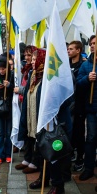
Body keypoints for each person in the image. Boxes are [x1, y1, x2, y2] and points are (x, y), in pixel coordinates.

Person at [16, 49, 45, 174]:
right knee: (28, 134)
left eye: (34, 59)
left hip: (38, 112)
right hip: (29, 109)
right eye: (32, 59)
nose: (32, 62)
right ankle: (27, 158)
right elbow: (27, 90)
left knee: (38, 137)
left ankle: (35, 162)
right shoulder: (33, 74)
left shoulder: (46, 76)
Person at [77, 35, 97, 181]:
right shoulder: (86, 65)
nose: (92, 46)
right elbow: (78, 83)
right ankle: (88, 168)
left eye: (95, 43)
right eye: (91, 44)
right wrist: (86, 79)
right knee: (90, 138)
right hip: (92, 109)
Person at [68, 40, 85, 172]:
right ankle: (71, 153)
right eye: (68, 49)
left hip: (79, 104)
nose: (68, 51)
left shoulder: (83, 65)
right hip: (68, 104)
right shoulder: (65, 65)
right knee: (69, 131)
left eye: (71, 49)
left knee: (79, 133)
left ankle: (80, 158)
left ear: (78, 50)